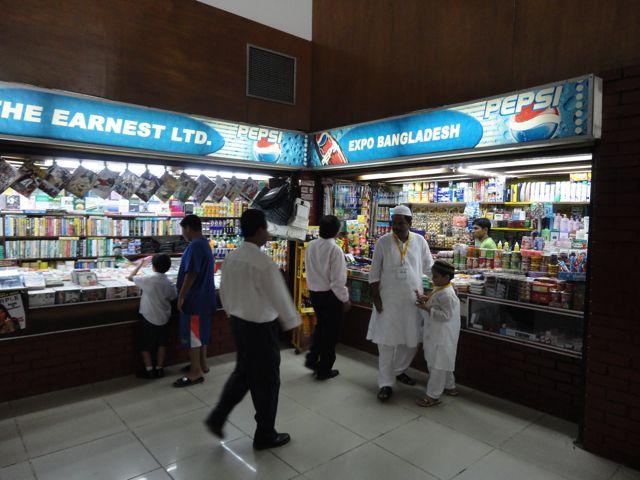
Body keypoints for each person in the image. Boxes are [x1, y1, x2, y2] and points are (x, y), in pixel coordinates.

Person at [206, 209, 300, 450]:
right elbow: (279, 297)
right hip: (261, 329)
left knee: (244, 373)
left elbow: (224, 291)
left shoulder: (232, 258)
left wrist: (232, 314)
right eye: (266, 228)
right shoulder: (262, 262)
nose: (268, 233)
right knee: (267, 381)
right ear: (259, 230)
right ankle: (265, 433)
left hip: (239, 324)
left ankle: (218, 416)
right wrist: (293, 324)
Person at [367, 205, 433, 401]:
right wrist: (376, 298)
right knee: (386, 343)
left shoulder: (420, 241)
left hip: (413, 301)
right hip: (388, 301)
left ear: (410, 223)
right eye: (393, 223)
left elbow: (429, 268)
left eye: (400, 223)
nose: (395, 227)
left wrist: (447, 283)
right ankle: (385, 383)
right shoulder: (383, 241)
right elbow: (374, 272)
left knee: (411, 341)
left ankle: (398, 370)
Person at [304, 215, 350, 380]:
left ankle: (312, 358)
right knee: (331, 333)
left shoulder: (311, 245)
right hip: (331, 296)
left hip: (315, 293)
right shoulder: (335, 250)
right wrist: (345, 298)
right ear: (337, 231)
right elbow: (338, 280)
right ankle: (324, 369)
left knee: (321, 326)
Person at [173, 214, 217, 388]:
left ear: (188, 228)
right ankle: (202, 364)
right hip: (205, 298)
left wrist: (182, 295)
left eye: (183, 230)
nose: (183, 233)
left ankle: (195, 372)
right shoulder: (204, 243)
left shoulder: (195, 245)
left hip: (195, 299)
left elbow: (192, 272)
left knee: (194, 335)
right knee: (201, 333)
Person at [415, 259, 461, 407]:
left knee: (437, 365)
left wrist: (426, 308)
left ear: (446, 277)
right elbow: (435, 300)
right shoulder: (441, 287)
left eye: (435, 276)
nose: (433, 279)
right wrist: (425, 299)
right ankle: (449, 386)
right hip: (436, 332)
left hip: (442, 335)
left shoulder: (448, 294)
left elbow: (445, 316)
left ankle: (433, 395)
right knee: (441, 362)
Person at [127, 254, 177, 379]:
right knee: (162, 344)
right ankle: (160, 369)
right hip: (164, 318)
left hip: (148, 317)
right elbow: (173, 296)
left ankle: (149, 370)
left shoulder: (148, 279)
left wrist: (139, 265)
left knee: (145, 345)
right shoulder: (169, 283)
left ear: (153, 266)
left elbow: (130, 277)